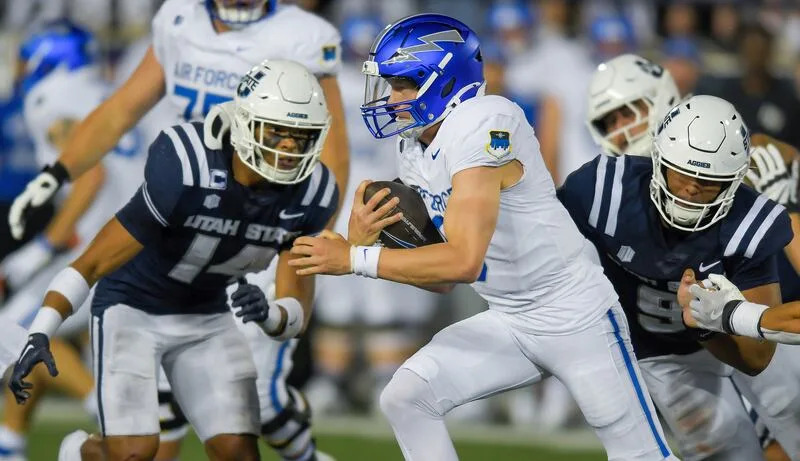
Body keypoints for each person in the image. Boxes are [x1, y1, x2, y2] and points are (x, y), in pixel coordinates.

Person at [288, 13, 676, 461]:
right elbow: (442, 279)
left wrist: (355, 259)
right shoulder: (413, 145)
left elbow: (463, 261)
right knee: (406, 396)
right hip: (510, 317)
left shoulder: (486, 121)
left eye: (403, 86)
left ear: (446, 82)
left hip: (575, 314)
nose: (391, 99)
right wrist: (370, 246)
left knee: (643, 456)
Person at [6, 2, 349, 459]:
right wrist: (41, 327)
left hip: (220, 289)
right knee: (140, 450)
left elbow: (295, 306)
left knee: (244, 434)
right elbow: (93, 259)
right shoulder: (184, 164)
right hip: (151, 278)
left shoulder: (311, 186)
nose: (288, 150)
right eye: (276, 134)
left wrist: (276, 300)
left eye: (299, 139)